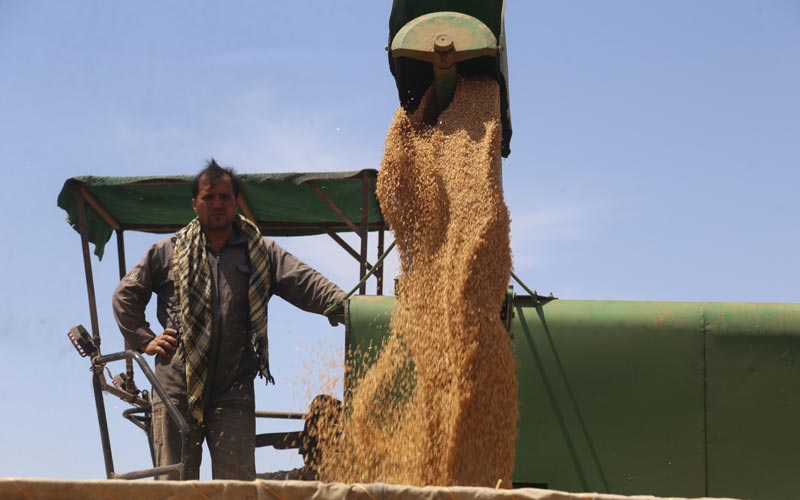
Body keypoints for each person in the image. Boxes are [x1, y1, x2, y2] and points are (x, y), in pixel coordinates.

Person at [113, 160, 346, 480]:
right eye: (208, 197)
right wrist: (145, 339)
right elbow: (125, 296)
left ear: (236, 202)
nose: (217, 204)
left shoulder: (261, 252)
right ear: (195, 204)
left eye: (224, 197)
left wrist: (348, 307)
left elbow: (305, 282)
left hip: (233, 389)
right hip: (176, 388)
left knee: (237, 485)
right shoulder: (167, 251)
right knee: (174, 485)